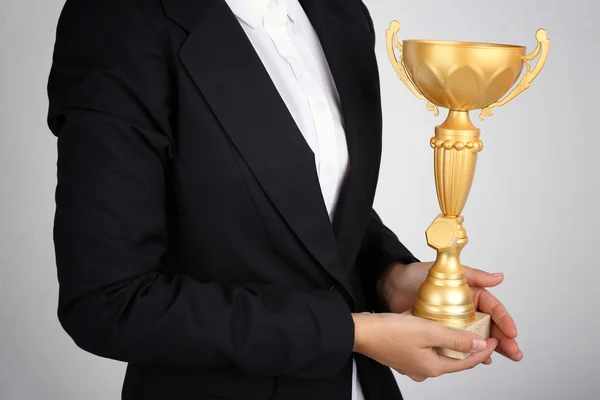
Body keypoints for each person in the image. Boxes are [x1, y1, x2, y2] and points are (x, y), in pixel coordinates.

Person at [46, 0, 522, 399]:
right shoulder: (117, 20)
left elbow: (306, 203)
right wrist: (351, 333)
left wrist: (389, 276)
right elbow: (108, 301)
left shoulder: (340, 14)